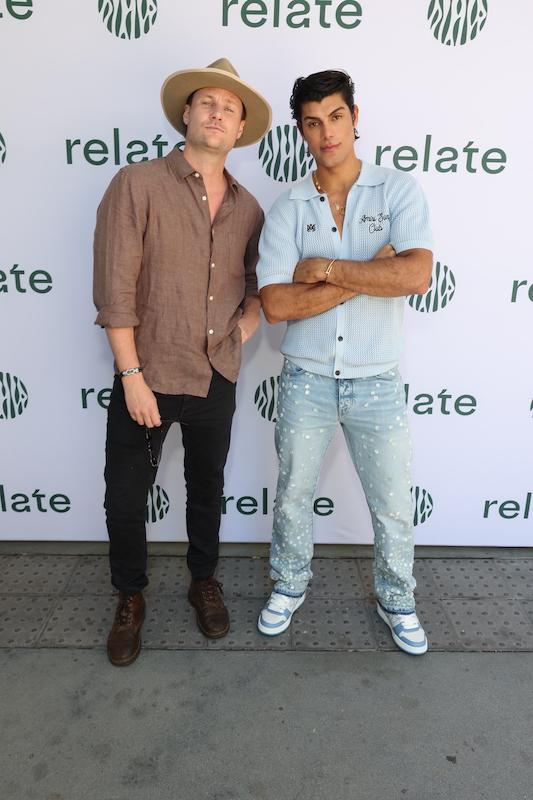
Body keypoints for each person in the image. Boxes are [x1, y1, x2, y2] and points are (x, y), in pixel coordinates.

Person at [93, 58, 271, 666]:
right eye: (208, 102)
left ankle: (203, 580)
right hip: (147, 375)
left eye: (230, 106)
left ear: (241, 127)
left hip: (214, 377)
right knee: (124, 497)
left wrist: (241, 333)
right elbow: (115, 291)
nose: (218, 112)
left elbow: (254, 284)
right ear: (187, 115)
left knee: (208, 489)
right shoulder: (136, 184)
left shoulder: (249, 207)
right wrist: (131, 376)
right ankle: (130, 597)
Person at [256, 70, 433, 654]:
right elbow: (277, 304)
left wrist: (327, 268)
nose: (326, 132)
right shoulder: (288, 207)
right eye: (313, 122)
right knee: (292, 494)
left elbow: (414, 273)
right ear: (301, 131)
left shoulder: (397, 190)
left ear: (355, 117)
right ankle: (288, 583)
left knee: (391, 502)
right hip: (306, 377)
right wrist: (368, 272)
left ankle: (397, 598)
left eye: (336, 116)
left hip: (376, 379)